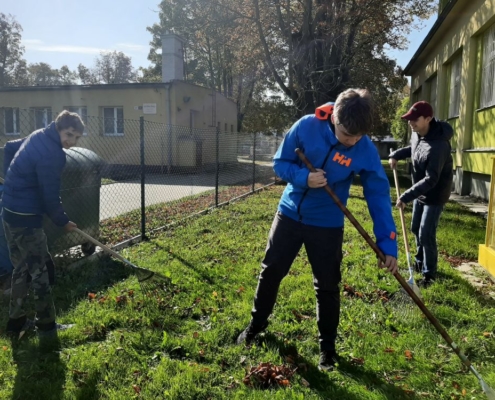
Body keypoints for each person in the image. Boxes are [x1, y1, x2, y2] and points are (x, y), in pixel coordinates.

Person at [236, 89, 398, 372]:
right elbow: (280, 163)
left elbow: (378, 195)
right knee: (271, 271)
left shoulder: (364, 148)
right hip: (289, 215)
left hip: (327, 224)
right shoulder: (306, 126)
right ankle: (256, 324)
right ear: (334, 116)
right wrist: (303, 178)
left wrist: (387, 243)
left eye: (358, 136)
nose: (352, 141)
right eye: (347, 134)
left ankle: (328, 349)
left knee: (327, 285)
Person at [2, 110, 84, 337]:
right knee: (41, 273)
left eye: (76, 138)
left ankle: (15, 323)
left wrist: (10, 179)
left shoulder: (38, 134)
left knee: (21, 269)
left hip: (9, 213)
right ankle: (46, 327)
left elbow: (9, 148)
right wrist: (63, 221)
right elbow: (50, 196)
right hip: (26, 220)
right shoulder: (53, 155)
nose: (71, 141)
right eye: (69, 134)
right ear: (58, 128)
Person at [389, 101, 453, 288]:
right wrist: (396, 155)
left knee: (426, 234)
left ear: (428, 119)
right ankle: (419, 262)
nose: (411, 123)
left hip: (435, 195)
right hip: (421, 192)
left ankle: (429, 274)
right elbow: (414, 149)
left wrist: (406, 196)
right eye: (409, 119)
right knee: (416, 228)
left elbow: (431, 180)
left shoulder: (439, 146)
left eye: (415, 120)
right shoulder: (419, 134)